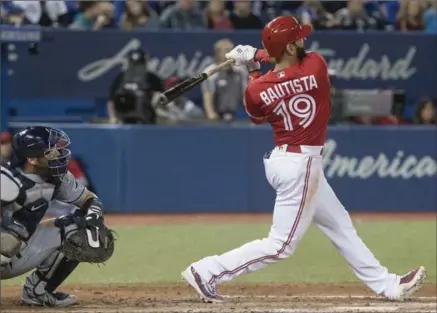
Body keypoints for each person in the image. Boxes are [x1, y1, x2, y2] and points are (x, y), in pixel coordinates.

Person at [181, 16, 426, 303]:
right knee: (281, 245)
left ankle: (388, 285)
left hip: (284, 160)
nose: (303, 40)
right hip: (302, 165)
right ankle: (206, 271)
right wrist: (256, 57)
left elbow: (256, 116)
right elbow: (291, 67)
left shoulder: (255, 89)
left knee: (339, 224)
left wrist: (252, 68)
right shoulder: (317, 66)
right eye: (297, 38)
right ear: (289, 46)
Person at [0, 126, 114, 307]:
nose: (60, 155)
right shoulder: (6, 180)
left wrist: (94, 219)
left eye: (59, 150)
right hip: (3, 246)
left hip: (20, 251)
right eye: (52, 153)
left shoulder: (56, 177)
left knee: (77, 230)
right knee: (8, 239)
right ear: (31, 158)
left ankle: (37, 292)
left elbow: (89, 199)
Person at [107, 48, 163, 124]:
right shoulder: (121, 77)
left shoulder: (152, 78)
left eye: (139, 65)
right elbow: (111, 101)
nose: (137, 68)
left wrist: (156, 100)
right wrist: (113, 117)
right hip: (124, 120)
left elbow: (162, 98)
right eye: (134, 65)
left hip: (146, 120)